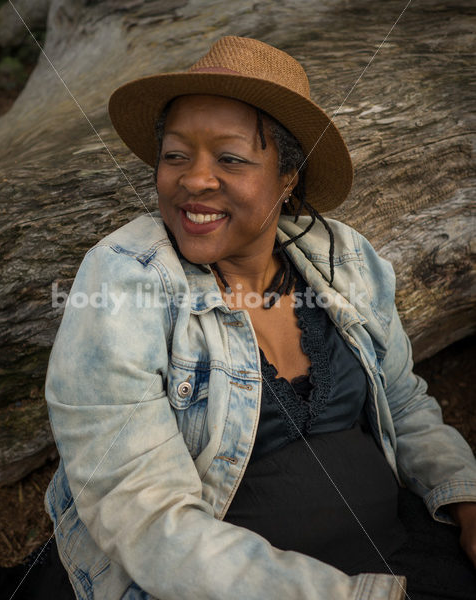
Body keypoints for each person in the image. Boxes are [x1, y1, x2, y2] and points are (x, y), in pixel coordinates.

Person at [44, 36, 476, 599]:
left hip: (394, 551)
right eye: (175, 155)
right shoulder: (124, 280)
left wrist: (465, 499)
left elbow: (404, 402)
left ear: (288, 176)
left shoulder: (340, 259)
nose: (194, 180)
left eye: (230, 158)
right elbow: (148, 519)